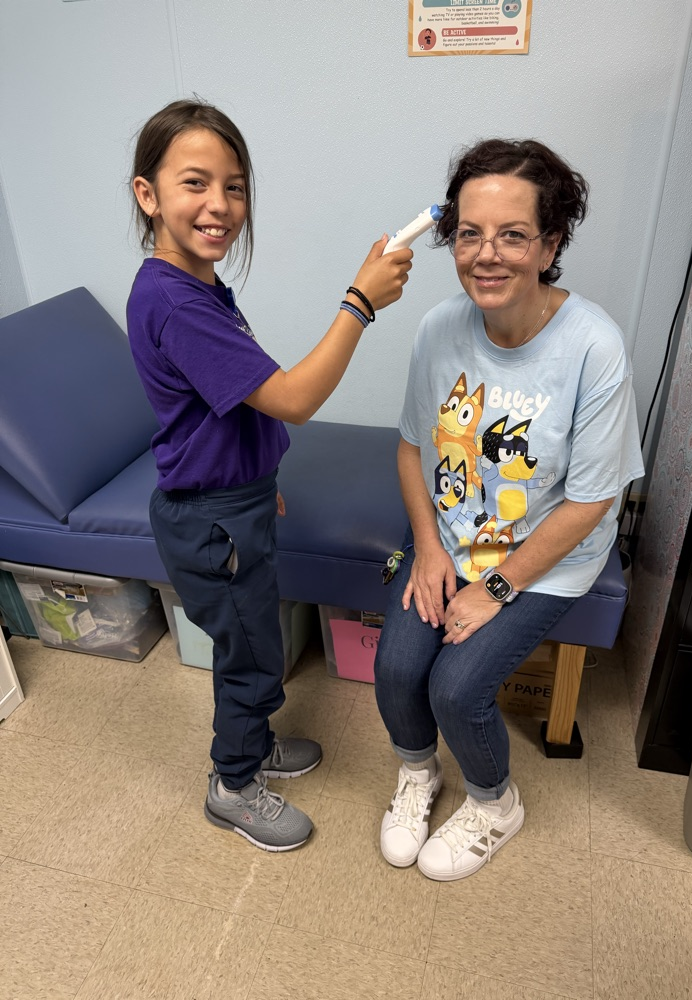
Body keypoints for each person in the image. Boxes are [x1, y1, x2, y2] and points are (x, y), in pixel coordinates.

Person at [126, 99, 411, 853]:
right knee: (251, 655)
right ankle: (233, 782)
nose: (220, 206)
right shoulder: (174, 300)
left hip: (232, 503)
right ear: (147, 194)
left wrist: (259, 474)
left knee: (253, 640)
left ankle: (250, 743)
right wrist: (360, 303)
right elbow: (292, 397)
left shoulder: (195, 285)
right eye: (195, 183)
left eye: (236, 186)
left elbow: (232, 406)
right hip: (213, 519)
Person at [374, 138, 644, 881]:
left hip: (546, 555)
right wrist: (429, 550)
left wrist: (494, 589)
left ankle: (495, 802)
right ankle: (418, 774)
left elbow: (592, 501)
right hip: (450, 533)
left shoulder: (593, 346)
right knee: (397, 667)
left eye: (513, 235)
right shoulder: (438, 329)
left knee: (456, 688)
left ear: (550, 243)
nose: (486, 255)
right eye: (469, 233)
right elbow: (409, 452)